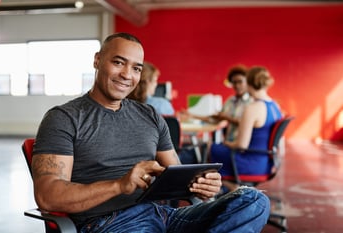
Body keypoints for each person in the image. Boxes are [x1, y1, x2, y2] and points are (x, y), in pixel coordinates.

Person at [31, 32, 270, 233]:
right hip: (108, 223)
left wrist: (202, 185)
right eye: (118, 62)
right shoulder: (63, 118)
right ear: (97, 60)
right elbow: (48, 196)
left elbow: (179, 176)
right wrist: (119, 185)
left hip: (163, 216)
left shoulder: (150, 115)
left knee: (253, 200)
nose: (127, 74)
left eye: (136, 68)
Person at [210, 66, 282, 191]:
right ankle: (236, 190)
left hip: (249, 163)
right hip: (268, 163)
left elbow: (241, 145)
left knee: (212, 149)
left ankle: (236, 189)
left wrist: (227, 143)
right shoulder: (275, 106)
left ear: (248, 84)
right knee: (218, 150)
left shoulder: (252, 108)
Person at [180, 64, 252, 142]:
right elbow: (215, 119)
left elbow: (246, 123)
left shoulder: (252, 102)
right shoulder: (230, 101)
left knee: (209, 147)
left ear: (247, 82)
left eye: (240, 82)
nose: (237, 85)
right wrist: (192, 115)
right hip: (228, 142)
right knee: (209, 146)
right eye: (234, 82)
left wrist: (226, 117)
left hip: (243, 144)